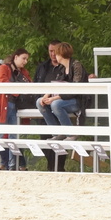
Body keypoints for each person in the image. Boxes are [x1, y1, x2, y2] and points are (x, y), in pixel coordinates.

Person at [36, 42, 88, 171]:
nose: (54, 55)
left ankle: (70, 132)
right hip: (63, 98)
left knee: (56, 104)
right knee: (39, 102)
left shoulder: (76, 66)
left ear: (61, 54)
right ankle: (58, 132)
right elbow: (55, 85)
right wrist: (45, 97)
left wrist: (54, 98)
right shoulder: (60, 68)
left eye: (56, 53)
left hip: (77, 100)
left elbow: (75, 90)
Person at [0, 48, 30, 170]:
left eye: (26, 59)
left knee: (13, 138)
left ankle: (12, 166)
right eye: (23, 58)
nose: (25, 61)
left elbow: (30, 85)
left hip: (13, 107)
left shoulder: (23, 72)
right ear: (15, 57)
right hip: (1, 107)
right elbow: (3, 83)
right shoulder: (3, 68)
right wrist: (20, 91)